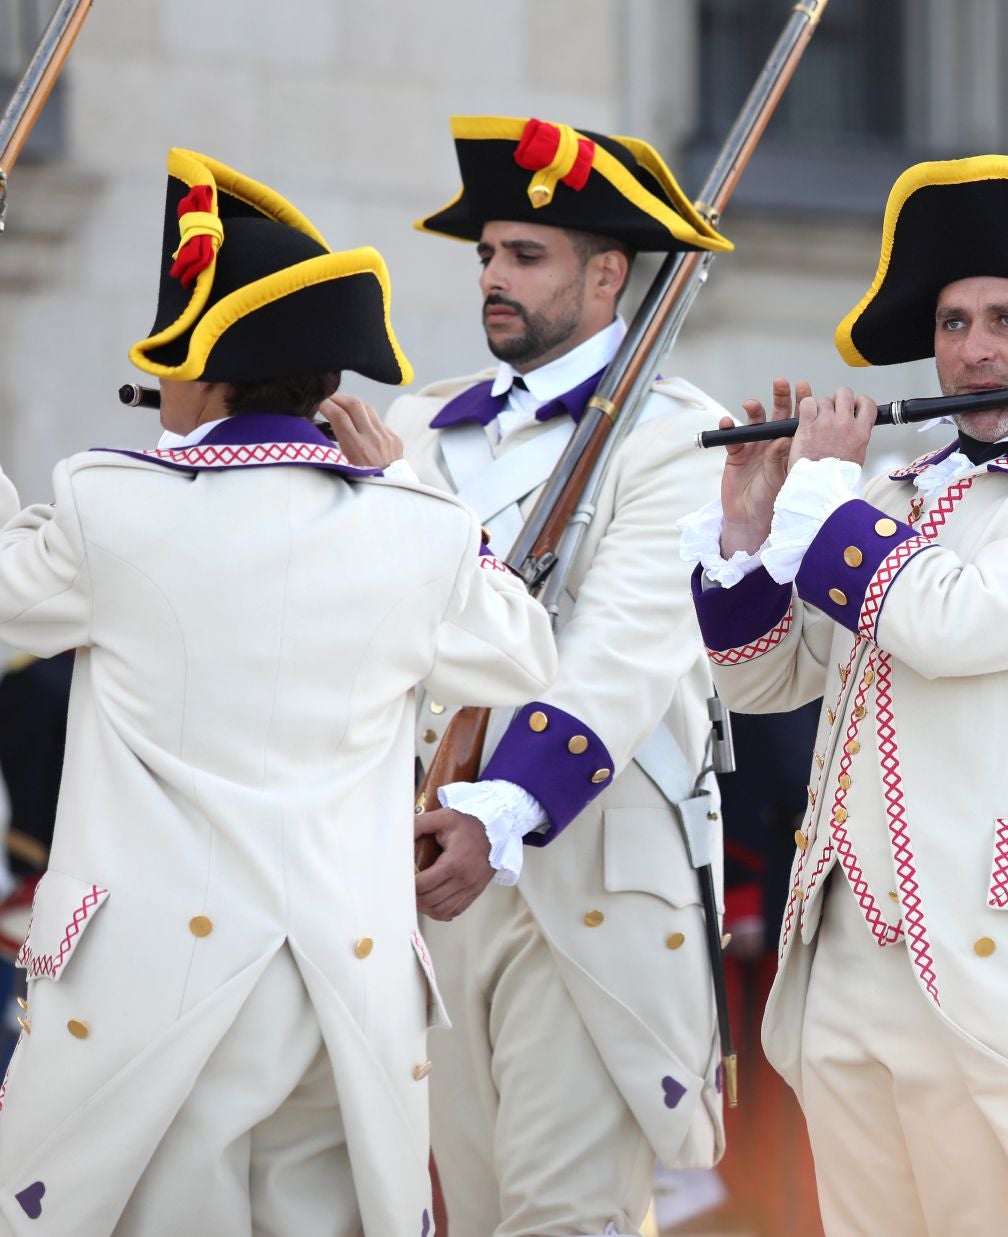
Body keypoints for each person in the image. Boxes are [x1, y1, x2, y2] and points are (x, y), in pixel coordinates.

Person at [0, 148, 555, 1236]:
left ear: (205, 379)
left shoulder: (109, 505)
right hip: (342, 993)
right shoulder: (418, 530)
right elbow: (523, 652)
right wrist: (408, 484)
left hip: (149, 989)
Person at [683, 151, 1008, 1235]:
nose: (972, 349)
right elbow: (764, 674)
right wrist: (751, 524)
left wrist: (824, 502)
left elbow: (951, 622)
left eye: (1007, 320)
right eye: (955, 322)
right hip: (848, 970)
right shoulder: (903, 491)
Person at [333, 115, 736, 1237]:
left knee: (564, 1218)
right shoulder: (417, 428)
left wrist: (501, 805)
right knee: (457, 1206)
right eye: (487, 256)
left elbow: (623, 652)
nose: (495, 279)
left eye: (527, 256)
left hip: (578, 862)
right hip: (419, 868)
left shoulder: (674, 434)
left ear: (609, 275)